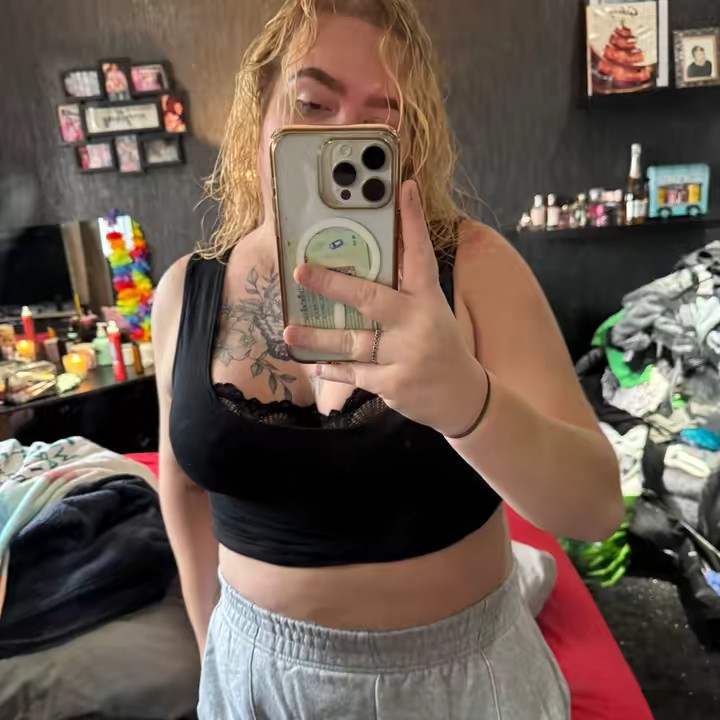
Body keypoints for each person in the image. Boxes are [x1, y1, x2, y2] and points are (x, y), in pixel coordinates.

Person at [152, 1, 623, 717]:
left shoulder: (476, 266)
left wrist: (468, 401)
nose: (341, 135)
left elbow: (595, 508)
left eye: (382, 117)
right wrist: (211, 650)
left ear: (408, 141)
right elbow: (183, 488)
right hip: (255, 681)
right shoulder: (186, 290)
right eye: (313, 103)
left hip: (459, 687)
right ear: (259, 114)